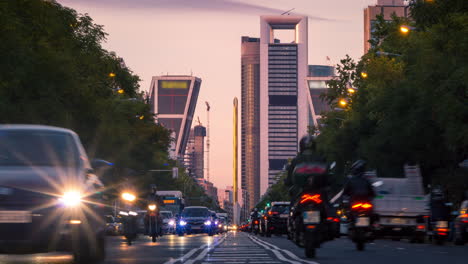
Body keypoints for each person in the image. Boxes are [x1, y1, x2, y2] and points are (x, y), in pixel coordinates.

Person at [284, 134, 330, 205]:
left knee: (293, 205)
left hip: (302, 192)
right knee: (328, 206)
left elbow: (289, 179)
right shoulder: (321, 158)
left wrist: (287, 182)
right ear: (314, 146)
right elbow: (327, 175)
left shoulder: (296, 160)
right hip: (319, 192)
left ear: (301, 147)